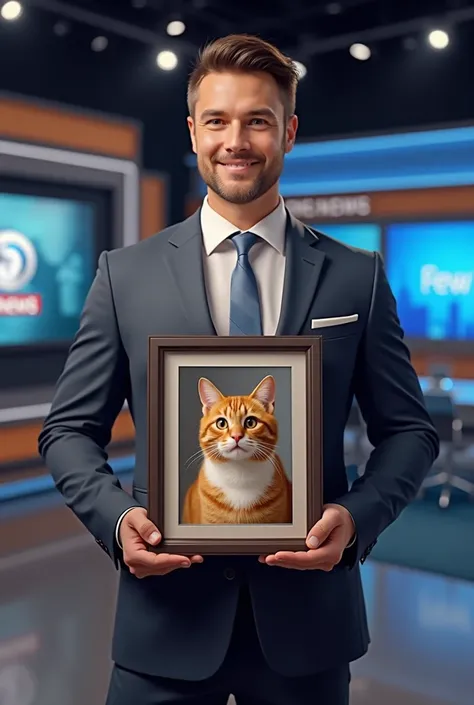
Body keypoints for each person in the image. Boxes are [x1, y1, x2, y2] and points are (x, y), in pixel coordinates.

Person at [38, 33, 439, 705]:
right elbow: (69, 429)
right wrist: (115, 521)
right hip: (162, 618)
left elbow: (409, 431)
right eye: (218, 120)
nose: (237, 140)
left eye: (258, 120)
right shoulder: (124, 275)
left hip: (309, 626)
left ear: (290, 130)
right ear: (193, 131)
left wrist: (356, 516)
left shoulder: (356, 278)